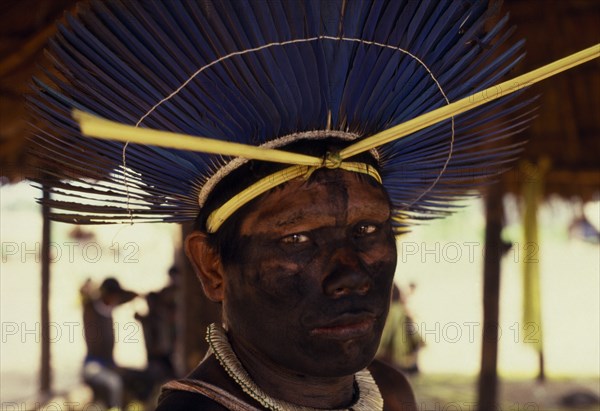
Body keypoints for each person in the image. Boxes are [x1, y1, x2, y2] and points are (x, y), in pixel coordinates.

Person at [28, 1, 547, 409]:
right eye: (296, 238)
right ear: (212, 266)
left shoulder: (388, 394)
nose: (350, 275)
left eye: (368, 231)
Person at [80, 277, 137, 409]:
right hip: (93, 365)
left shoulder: (109, 307)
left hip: (109, 364)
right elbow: (84, 295)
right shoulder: (91, 309)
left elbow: (129, 296)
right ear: (106, 294)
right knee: (113, 383)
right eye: (113, 295)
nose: (116, 299)